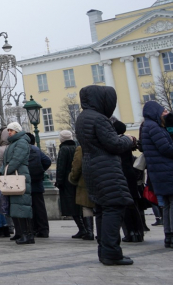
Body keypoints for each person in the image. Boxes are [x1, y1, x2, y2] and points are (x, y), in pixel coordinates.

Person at [75, 85, 137, 265]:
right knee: (114, 207)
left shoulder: (83, 117)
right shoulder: (99, 119)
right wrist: (128, 139)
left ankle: (105, 251)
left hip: (92, 167)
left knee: (102, 208)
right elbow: (114, 144)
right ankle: (111, 252)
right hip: (106, 168)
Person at [141, 100, 173, 249]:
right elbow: (165, 148)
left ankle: (170, 236)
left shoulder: (148, 126)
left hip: (160, 171)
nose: (165, 114)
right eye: (163, 111)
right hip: (167, 170)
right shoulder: (154, 127)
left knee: (167, 203)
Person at [112, 120, 144, 242]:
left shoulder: (116, 142)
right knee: (134, 204)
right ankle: (138, 232)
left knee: (125, 205)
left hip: (121, 174)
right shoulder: (128, 141)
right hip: (130, 174)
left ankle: (130, 232)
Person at [2, 122, 33, 244]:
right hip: (14, 176)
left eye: (11, 130)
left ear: (17, 131)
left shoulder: (21, 142)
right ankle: (21, 233)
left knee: (22, 207)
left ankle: (27, 235)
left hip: (18, 176)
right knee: (17, 207)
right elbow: (7, 162)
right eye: (8, 130)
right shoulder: (14, 143)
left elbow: (16, 160)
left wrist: (5, 172)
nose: (9, 132)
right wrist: (3, 171)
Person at [54, 130, 84, 238]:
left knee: (71, 205)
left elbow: (61, 167)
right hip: (79, 181)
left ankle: (82, 228)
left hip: (67, 182)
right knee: (81, 205)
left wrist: (59, 181)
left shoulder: (63, 149)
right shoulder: (78, 147)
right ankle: (86, 228)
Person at [68, 141, 96, 241]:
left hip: (86, 180)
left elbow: (77, 166)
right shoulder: (102, 145)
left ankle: (89, 232)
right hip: (101, 179)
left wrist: (72, 178)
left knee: (87, 206)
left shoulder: (82, 148)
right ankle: (101, 232)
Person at [27, 133, 52, 238]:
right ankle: (44, 230)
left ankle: (34, 229)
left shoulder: (23, 150)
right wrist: (41, 171)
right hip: (37, 182)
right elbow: (47, 161)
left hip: (26, 183)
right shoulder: (37, 150)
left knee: (30, 207)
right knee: (40, 207)